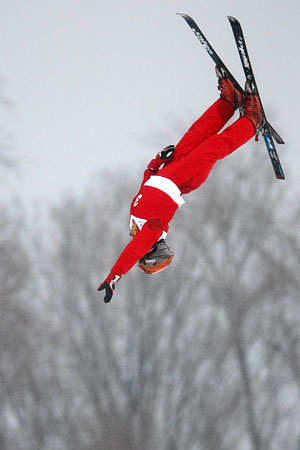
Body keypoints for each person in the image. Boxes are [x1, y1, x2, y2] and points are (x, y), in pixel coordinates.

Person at [98, 66, 263, 303]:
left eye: (161, 255)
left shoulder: (136, 224)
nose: (164, 248)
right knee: (213, 147)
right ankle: (251, 122)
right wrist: (114, 276)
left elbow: (144, 189)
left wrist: (155, 164)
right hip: (182, 179)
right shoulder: (152, 231)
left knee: (197, 133)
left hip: (168, 171)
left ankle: (230, 102)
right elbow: (133, 251)